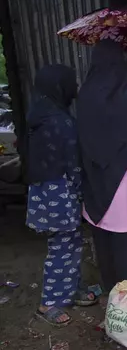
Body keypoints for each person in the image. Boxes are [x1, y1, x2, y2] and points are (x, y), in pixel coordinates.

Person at [77, 40, 127, 292]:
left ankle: (112, 299)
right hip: (124, 184)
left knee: (105, 246)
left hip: (95, 182)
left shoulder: (84, 96)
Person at [26, 65, 97, 326]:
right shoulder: (59, 122)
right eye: (71, 83)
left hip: (46, 191)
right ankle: (48, 304)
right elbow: (73, 163)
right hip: (60, 192)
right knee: (61, 246)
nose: (74, 89)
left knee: (71, 242)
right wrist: (82, 193)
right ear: (59, 86)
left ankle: (70, 290)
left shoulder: (41, 114)